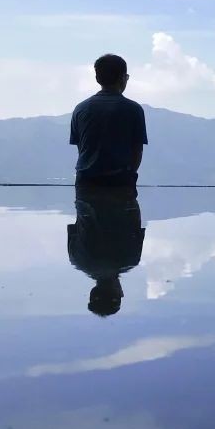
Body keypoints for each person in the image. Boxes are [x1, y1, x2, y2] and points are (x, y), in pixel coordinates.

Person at [70, 54, 148, 191]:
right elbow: (137, 150)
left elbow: (81, 148)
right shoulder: (133, 109)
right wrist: (129, 175)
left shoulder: (80, 109)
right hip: (121, 182)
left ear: (97, 78)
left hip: (85, 182)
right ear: (123, 78)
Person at [67, 187, 145, 316]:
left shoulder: (131, 260)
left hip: (123, 191)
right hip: (86, 188)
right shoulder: (76, 260)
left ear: (118, 292)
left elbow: (135, 216)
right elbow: (77, 224)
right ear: (92, 291)